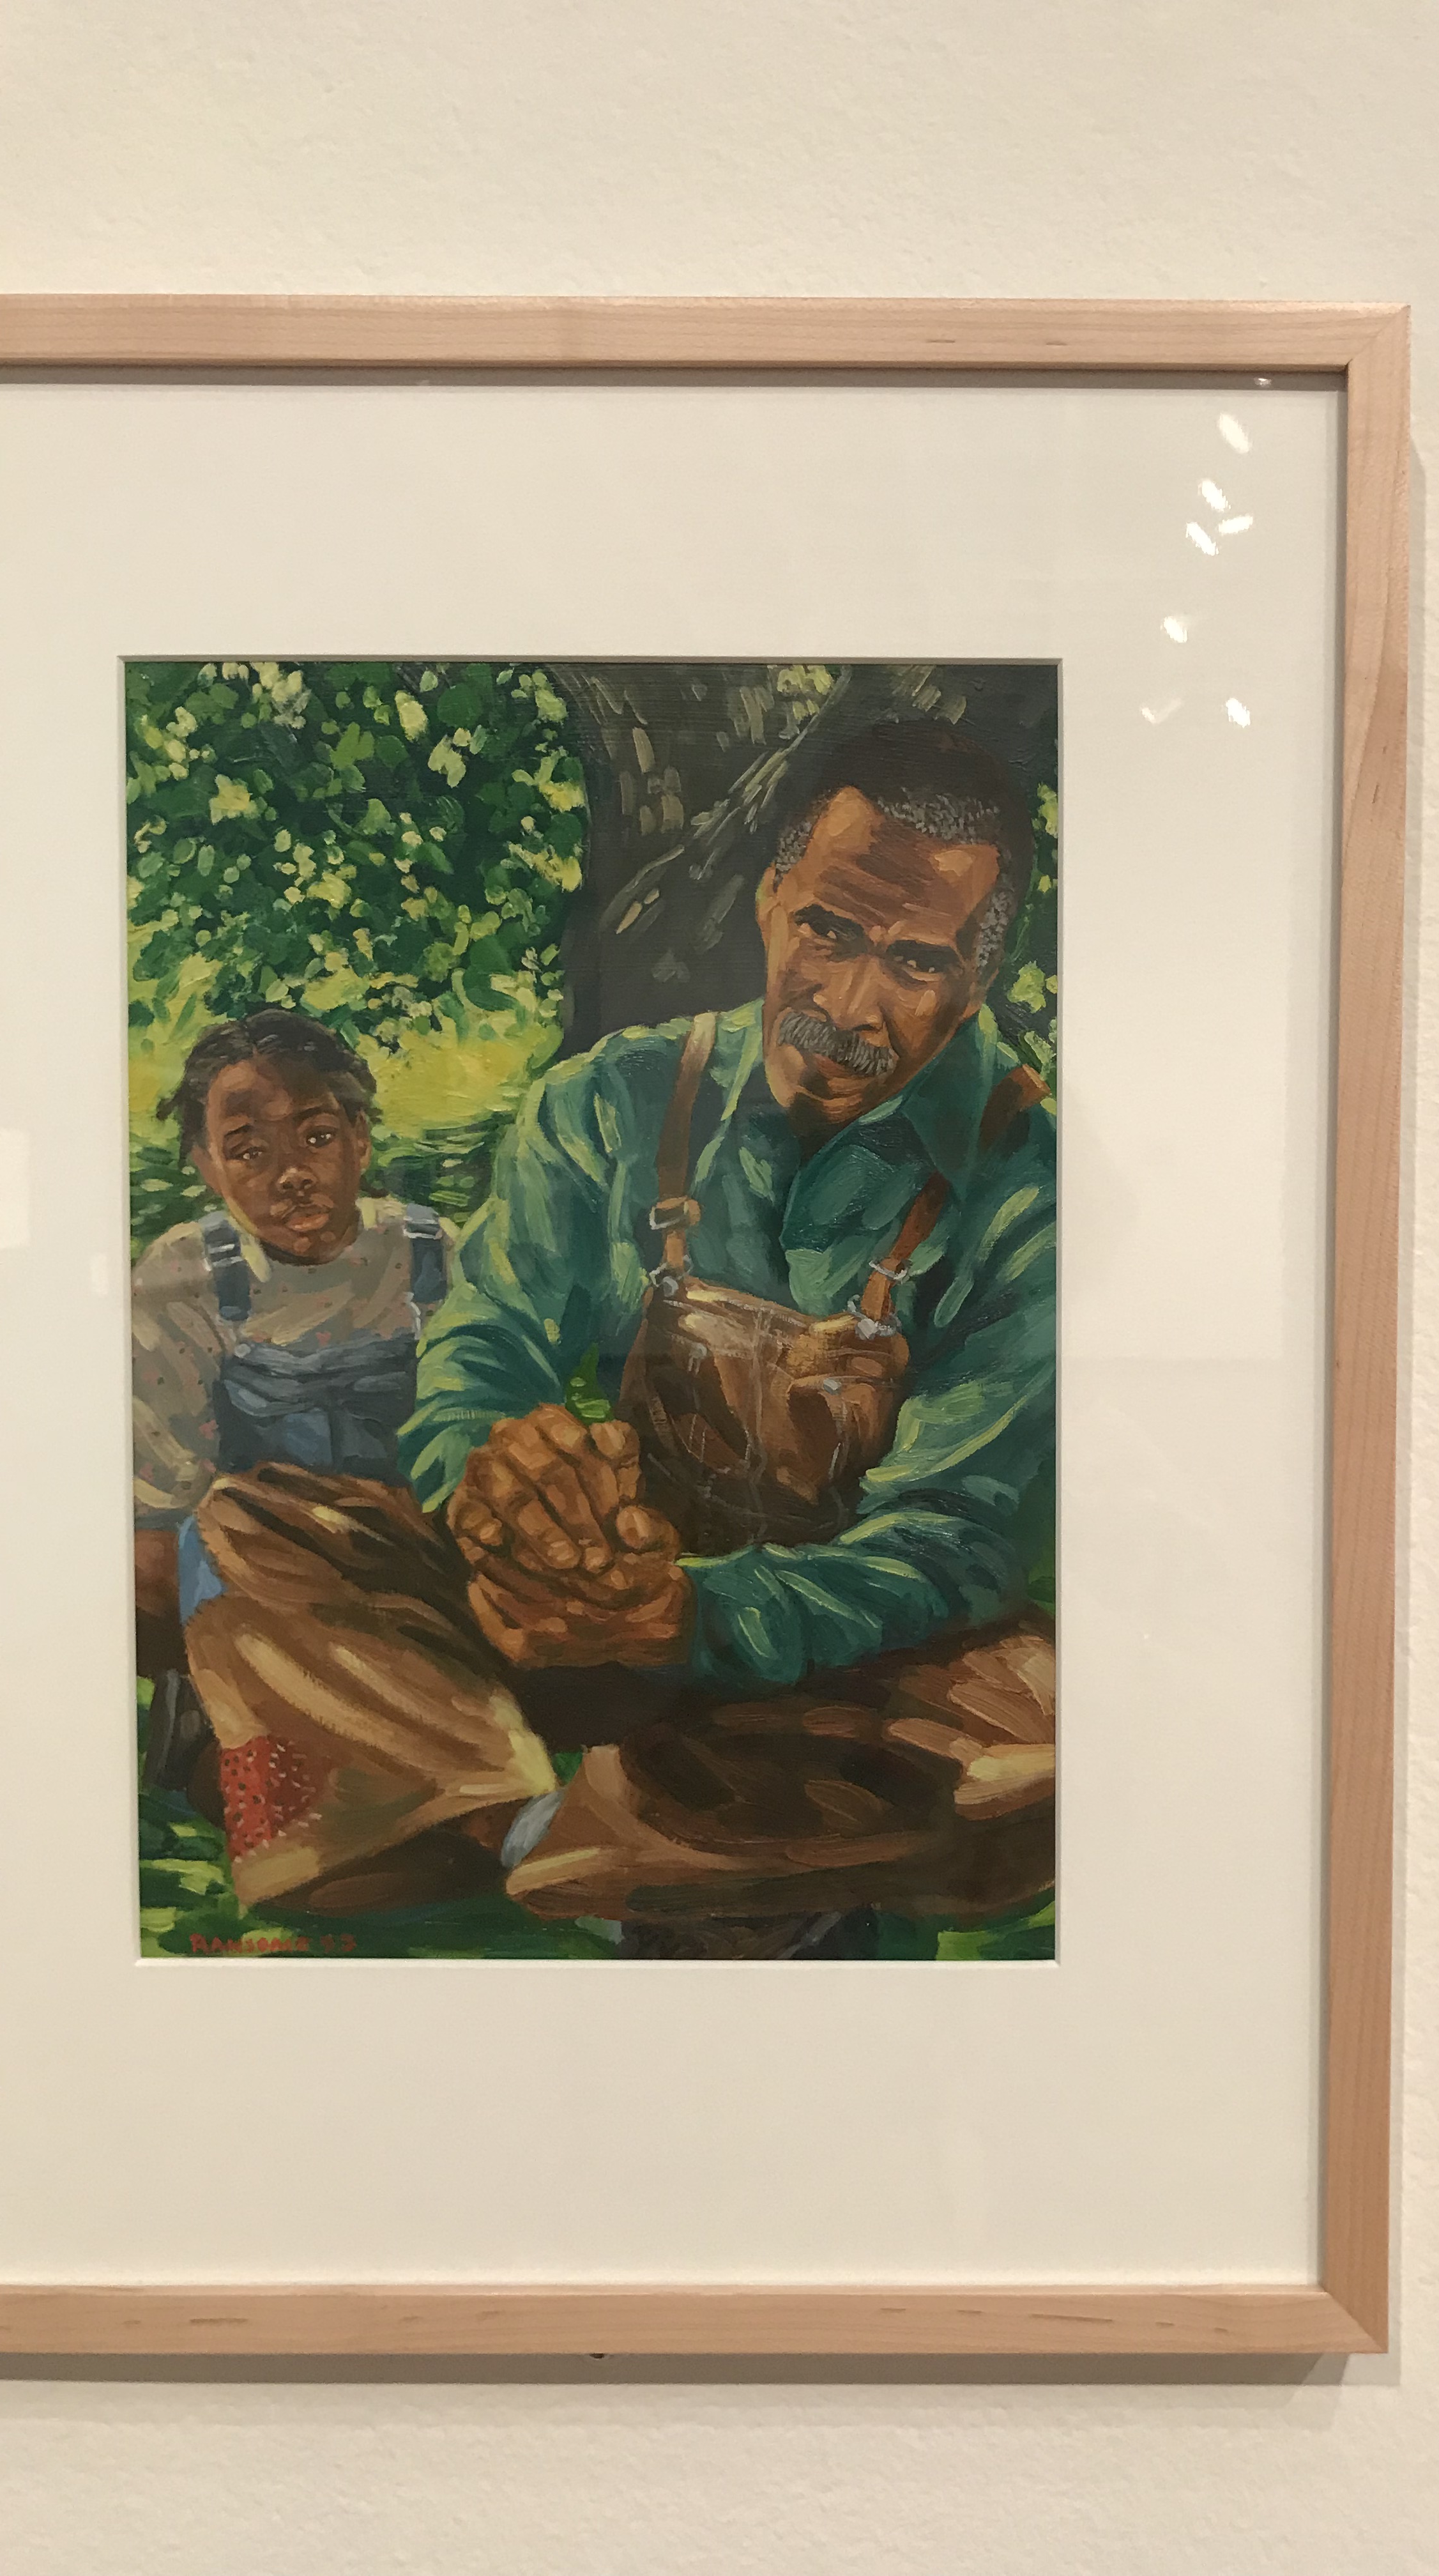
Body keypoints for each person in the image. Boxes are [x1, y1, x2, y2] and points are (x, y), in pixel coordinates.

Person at [190, 722, 1057, 1949]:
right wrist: (501, 1490)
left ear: (978, 976)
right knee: (257, 1528)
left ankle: (511, 1837)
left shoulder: (1034, 1188)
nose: (849, 1004)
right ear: (769, 902)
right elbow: (482, 1352)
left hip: (837, 1667)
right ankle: (633, 1853)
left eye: (916, 962)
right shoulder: (610, 1099)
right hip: (573, 1614)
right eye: (827, 931)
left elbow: (950, 1543)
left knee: (1041, 1737)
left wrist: (690, 1620)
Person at [131, 1010, 552, 1910]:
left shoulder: (432, 1257)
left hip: (414, 1557)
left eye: (317, 1136)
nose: (290, 1174)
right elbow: (160, 1508)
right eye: (247, 1152)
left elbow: (486, 1433)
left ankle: (454, 1820)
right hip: (268, 1576)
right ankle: (500, 1820)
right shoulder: (184, 1277)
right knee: (232, 1522)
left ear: (361, 1137)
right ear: (206, 1166)